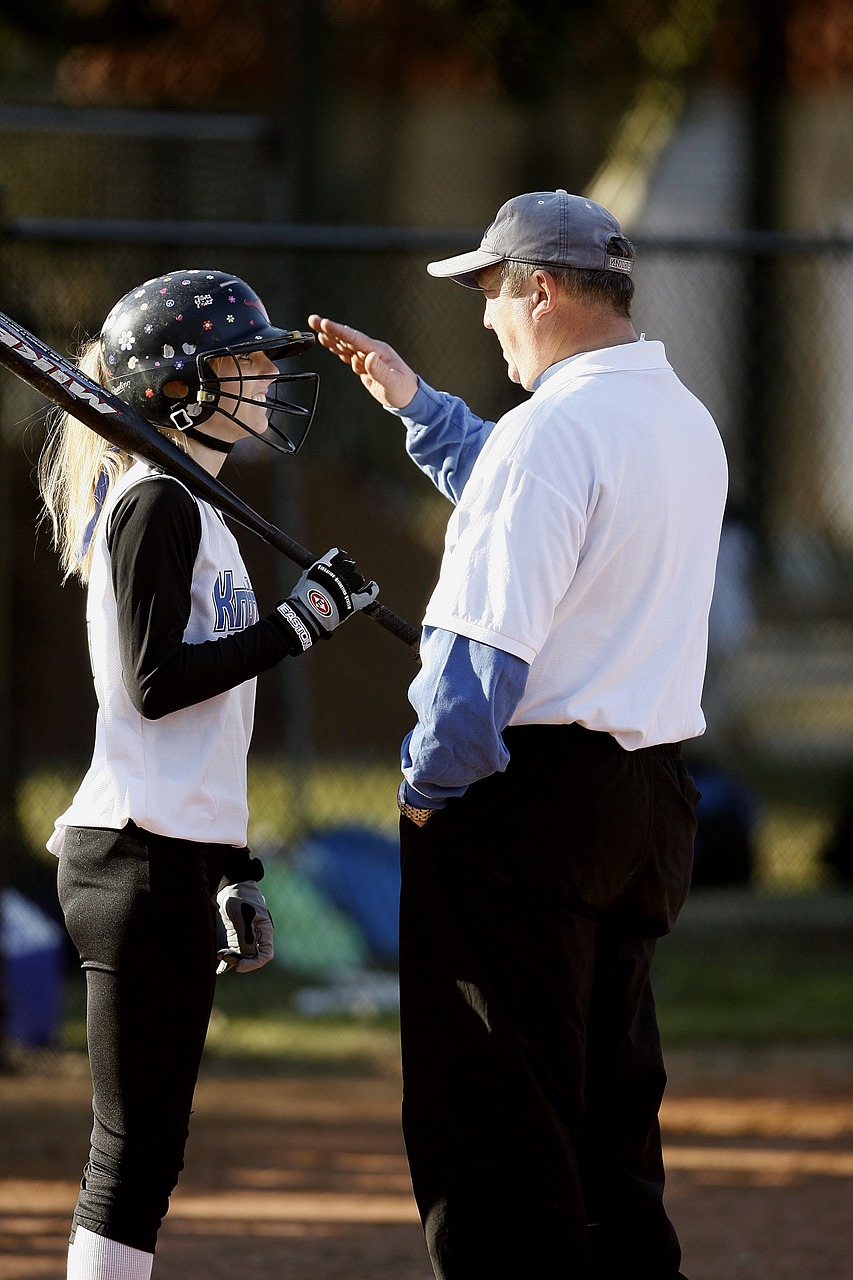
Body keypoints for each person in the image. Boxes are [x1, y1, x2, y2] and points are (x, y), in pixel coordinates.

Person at [309, 190, 728, 1280]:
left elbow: (475, 666)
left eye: (493, 290)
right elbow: (536, 489)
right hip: (645, 803)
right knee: (605, 1121)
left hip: (524, 808)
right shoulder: (679, 415)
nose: (486, 315)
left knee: (493, 1129)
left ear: (541, 289)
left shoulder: (553, 431)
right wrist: (418, 405)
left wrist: (421, 792)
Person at [38, 268, 379, 1280]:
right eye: (243, 359)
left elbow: (209, 735)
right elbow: (152, 687)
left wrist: (234, 870)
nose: (266, 375)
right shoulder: (156, 504)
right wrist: (295, 626)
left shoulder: (204, 506)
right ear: (178, 386)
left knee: (151, 1150)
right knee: (133, 1150)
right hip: (130, 857)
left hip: (174, 853)